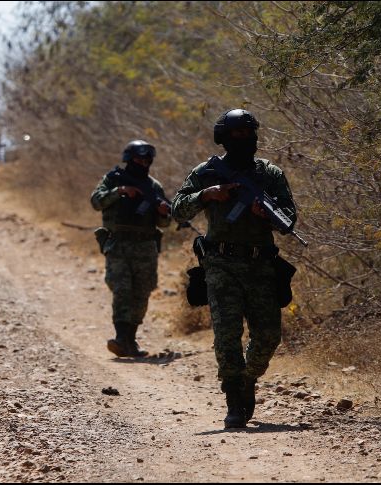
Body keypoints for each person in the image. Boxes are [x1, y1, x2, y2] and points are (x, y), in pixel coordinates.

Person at [171, 109, 298, 428]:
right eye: (237, 133)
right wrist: (207, 194)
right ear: (224, 137)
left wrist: (265, 214)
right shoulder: (207, 171)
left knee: (268, 336)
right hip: (221, 264)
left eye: (249, 133)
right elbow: (177, 210)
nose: (244, 139)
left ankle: (246, 381)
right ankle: (232, 401)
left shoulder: (269, 174)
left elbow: (288, 219)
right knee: (227, 336)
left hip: (261, 265)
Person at [90, 140, 171, 358]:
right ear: (129, 159)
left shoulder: (153, 186)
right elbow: (96, 201)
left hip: (145, 247)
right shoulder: (113, 179)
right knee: (122, 290)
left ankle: (130, 340)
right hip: (119, 244)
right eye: (139, 159)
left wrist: (163, 212)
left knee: (142, 292)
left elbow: (163, 224)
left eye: (147, 160)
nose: (143, 163)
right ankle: (121, 337)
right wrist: (120, 191)